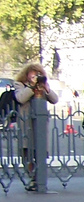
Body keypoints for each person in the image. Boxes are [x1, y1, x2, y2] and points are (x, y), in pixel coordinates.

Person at [13, 63, 58, 192]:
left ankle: (40, 179)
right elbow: (20, 98)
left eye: (38, 74)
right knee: (27, 152)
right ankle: (32, 178)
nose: (35, 76)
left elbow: (54, 99)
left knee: (41, 151)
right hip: (26, 123)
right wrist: (31, 86)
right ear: (27, 75)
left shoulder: (43, 86)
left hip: (40, 124)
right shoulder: (20, 85)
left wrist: (46, 89)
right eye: (33, 74)